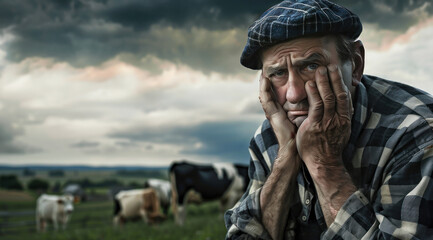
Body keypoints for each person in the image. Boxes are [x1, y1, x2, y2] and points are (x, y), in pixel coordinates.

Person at [224, 0, 433, 239]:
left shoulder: (418, 134)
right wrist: (286, 158)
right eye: (278, 73)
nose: (294, 94)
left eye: (311, 66)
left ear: (355, 64)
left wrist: (324, 163)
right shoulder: (270, 135)